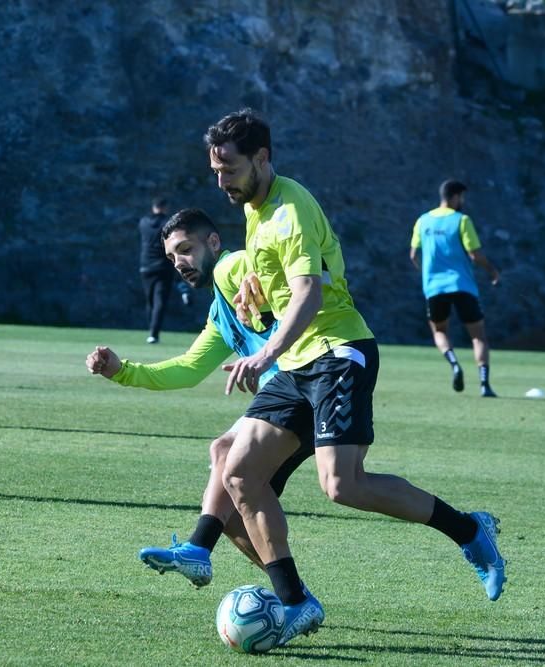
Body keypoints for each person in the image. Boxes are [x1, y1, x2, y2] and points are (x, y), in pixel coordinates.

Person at [205, 109, 506, 647]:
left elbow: (310, 293)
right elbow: (275, 273)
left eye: (229, 168)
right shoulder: (256, 207)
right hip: (299, 362)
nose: (221, 180)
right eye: (216, 170)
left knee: (342, 485)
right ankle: (296, 602)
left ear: (262, 158)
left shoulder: (292, 208)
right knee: (239, 473)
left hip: (338, 354)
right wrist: (253, 284)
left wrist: (265, 351)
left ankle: (469, 530)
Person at [87, 208, 313, 585]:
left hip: (304, 385)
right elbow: (189, 368)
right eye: (172, 257)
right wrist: (121, 370)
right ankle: (295, 595)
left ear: (213, 242)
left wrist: (256, 280)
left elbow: (267, 269)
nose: (179, 263)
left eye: (186, 250)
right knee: (232, 510)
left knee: (225, 451)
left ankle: (197, 550)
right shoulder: (220, 312)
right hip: (285, 398)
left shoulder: (233, 267)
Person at [410, 180, 500, 397]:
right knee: (478, 337)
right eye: (462, 197)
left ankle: (454, 364)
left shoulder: (423, 221)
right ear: (454, 197)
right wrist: (492, 271)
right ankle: (484, 384)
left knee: (440, 331)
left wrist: (427, 275)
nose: (463, 202)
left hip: (434, 288)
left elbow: (413, 255)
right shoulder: (462, 220)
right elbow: (475, 254)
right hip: (463, 286)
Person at [138, 197, 177, 343]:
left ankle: (151, 330)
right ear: (165, 207)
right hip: (163, 266)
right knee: (159, 300)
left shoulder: (143, 222)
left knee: (150, 300)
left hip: (145, 265)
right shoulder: (168, 223)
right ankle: (154, 333)